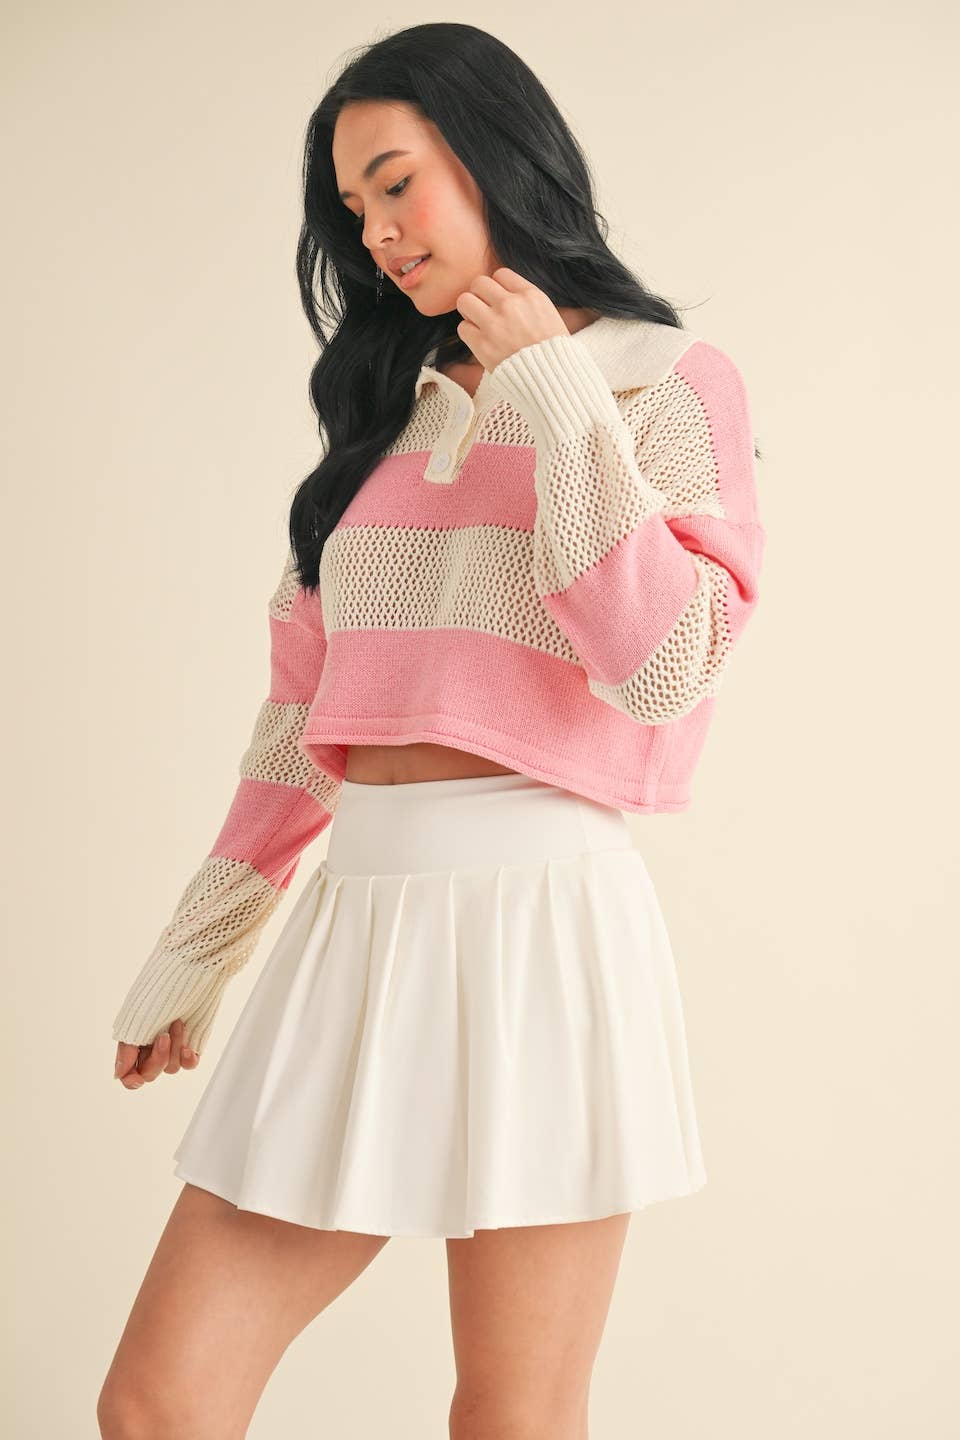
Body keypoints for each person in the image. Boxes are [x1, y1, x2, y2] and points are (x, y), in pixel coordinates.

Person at [98, 21, 765, 1440]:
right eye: (354, 211)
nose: (380, 235)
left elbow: (664, 667)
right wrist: (200, 947)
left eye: (396, 184)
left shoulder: (667, 380)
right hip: (358, 922)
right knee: (159, 1405)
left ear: (497, 152)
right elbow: (300, 718)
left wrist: (558, 398)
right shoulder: (382, 417)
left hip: (544, 928)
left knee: (512, 1420)